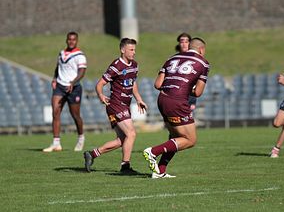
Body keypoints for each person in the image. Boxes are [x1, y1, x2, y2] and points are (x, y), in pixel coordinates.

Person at [143, 37, 210, 178]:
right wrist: (185, 88)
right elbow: (198, 92)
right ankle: (153, 152)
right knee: (190, 140)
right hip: (177, 101)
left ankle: (160, 171)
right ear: (202, 50)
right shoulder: (203, 63)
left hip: (162, 99)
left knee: (175, 136)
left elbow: (157, 84)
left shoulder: (171, 58)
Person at [83, 38, 147, 174]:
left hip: (125, 105)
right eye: (131, 49)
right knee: (131, 133)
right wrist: (101, 95)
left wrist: (139, 99)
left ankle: (92, 154)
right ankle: (125, 167)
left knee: (121, 140)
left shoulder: (134, 65)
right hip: (116, 104)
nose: (134, 52)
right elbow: (100, 84)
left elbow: (132, 83)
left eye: (134, 49)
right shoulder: (116, 66)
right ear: (122, 50)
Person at [43, 31, 87, 152]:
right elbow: (58, 68)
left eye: (73, 39)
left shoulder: (80, 55)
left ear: (76, 41)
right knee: (55, 113)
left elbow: (82, 72)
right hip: (60, 86)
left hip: (74, 88)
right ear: (66, 40)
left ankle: (81, 138)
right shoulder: (61, 53)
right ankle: (56, 143)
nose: (71, 41)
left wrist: (73, 83)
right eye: (69, 39)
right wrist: (54, 78)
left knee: (75, 115)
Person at [175, 32, 197, 111]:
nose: (184, 44)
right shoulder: (173, 59)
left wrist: (193, 100)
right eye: (182, 42)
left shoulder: (195, 58)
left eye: (186, 42)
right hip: (175, 94)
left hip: (189, 96)